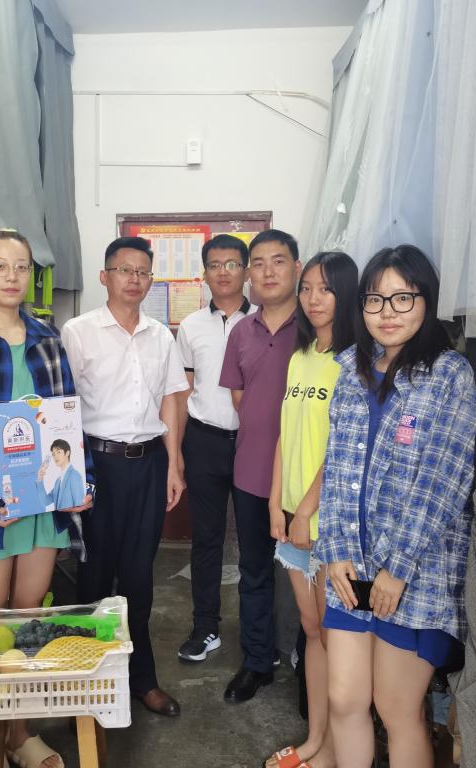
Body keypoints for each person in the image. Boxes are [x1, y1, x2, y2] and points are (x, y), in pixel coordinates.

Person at [316, 245, 476, 768]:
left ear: (427, 301)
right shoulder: (350, 371)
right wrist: (334, 550)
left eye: (402, 298)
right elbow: (336, 467)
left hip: (414, 573)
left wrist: (398, 568)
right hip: (350, 565)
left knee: (396, 708)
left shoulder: (449, 374)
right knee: (344, 699)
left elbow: (443, 481)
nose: (387, 312)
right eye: (375, 299)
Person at [0, 229, 93, 768]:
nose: (11, 276)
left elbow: (67, 419)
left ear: (31, 274)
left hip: (41, 503)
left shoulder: (48, 338)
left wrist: (80, 484)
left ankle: (18, 735)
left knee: (27, 624)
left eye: (21, 266)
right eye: (0, 266)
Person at [61, 236, 189, 717]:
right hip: (97, 465)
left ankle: (142, 680)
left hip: (149, 464)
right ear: (105, 276)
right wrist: (70, 476)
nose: (134, 279)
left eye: (142, 272)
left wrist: (174, 463)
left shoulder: (161, 336)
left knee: (138, 576)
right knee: (94, 574)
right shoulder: (78, 332)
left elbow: (172, 399)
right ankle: (87, 680)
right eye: (124, 270)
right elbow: (63, 407)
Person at [263, 251, 357, 768]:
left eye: (326, 289)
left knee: (337, 636)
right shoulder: (300, 357)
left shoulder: (354, 362)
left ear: (346, 294)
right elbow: (286, 436)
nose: (313, 299)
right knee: (313, 629)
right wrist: (278, 503)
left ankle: (339, 747)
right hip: (295, 519)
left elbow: (343, 446)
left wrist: (304, 512)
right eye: (307, 289)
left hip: (330, 523)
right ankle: (316, 741)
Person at [218, 228, 302, 703]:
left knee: (311, 573)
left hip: (306, 479)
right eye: (260, 263)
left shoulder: (317, 327)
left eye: (279, 260)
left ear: (296, 267)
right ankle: (256, 661)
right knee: (254, 572)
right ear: (249, 273)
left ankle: (313, 665)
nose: (268, 272)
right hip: (251, 472)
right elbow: (239, 398)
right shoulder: (241, 332)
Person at [175, 234, 257, 663]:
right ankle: (205, 627)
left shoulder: (265, 321)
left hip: (253, 445)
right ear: (204, 273)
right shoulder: (190, 326)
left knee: (255, 543)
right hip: (204, 441)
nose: (223, 272)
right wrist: (177, 454)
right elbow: (183, 391)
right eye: (214, 265)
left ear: (246, 270)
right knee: (206, 541)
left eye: (232, 264)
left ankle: (258, 638)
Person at [36, 439, 85, 511]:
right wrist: (40, 479)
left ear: (67, 453)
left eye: (58, 452)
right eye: (53, 454)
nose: (55, 456)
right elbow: (45, 501)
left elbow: (80, 506)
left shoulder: (74, 475)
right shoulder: (58, 481)